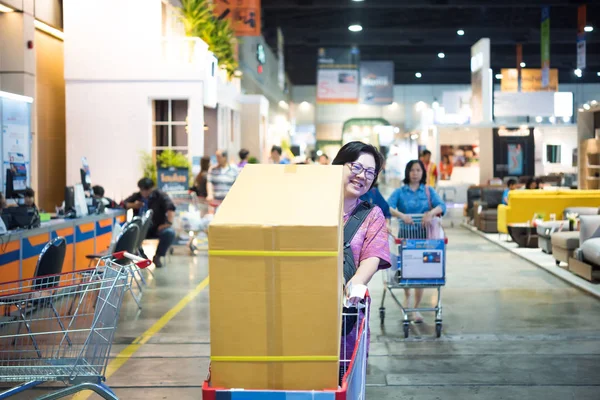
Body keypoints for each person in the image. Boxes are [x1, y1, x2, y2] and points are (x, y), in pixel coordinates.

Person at [332, 141, 391, 377]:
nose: (361, 176)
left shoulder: (372, 215)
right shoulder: (312, 203)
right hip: (306, 303)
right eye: (356, 167)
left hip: (347, 310)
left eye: (369, 172)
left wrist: (355, 285)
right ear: (339, 166)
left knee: (343, 375)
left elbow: (373, 256)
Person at [387, 159, 447, 323]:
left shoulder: (428, 191)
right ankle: (407, 298)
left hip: (425, 238)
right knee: (407, 271)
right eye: (412, 170)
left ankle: (416, 308)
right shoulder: (400, 192)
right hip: (406, 238)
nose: (415, 173)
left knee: (420, 273)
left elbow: (442, 206)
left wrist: (431, 213)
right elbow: (387, 206)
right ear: (407, 172)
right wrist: (401, 216)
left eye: (418, 170)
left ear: (423, 173)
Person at [125, 178, 176, 268]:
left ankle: (158, 256)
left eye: (147, 190)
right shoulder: (137, 196)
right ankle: (141, 257)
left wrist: (167, 223)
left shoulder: (160, 195)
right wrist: (134, 205)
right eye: (142, 190)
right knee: (131, 234)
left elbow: (171, 208)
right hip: (140, 228)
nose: (144, 193)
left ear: (152, 188)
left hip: (156, 227)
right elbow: (123, 203)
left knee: (169, 233)